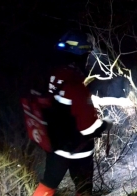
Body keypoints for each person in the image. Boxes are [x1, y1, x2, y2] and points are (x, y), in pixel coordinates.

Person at [32, 30, 113, 196]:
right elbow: (88, 128)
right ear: (80, 56)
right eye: (86, 55)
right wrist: (105, 124)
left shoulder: (54, 75)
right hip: (78, 150)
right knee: (83, 189)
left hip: (56, 146)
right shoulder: (76, 86)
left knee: (47, 185)